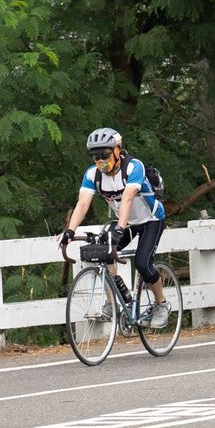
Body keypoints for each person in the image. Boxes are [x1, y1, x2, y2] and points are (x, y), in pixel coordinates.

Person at [58, 127, 170, 329]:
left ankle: (161, 304)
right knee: (103, 251)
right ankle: (114, 301)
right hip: (126, 221)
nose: (101, 160)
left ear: (118, 150)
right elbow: (82, 204)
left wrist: (119, 229)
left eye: (105, 155)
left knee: (142, 263)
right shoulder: (92, 175)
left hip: (151, 219)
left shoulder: (133, 168)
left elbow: (127, 199)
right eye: (96, 156)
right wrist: (70, 231)